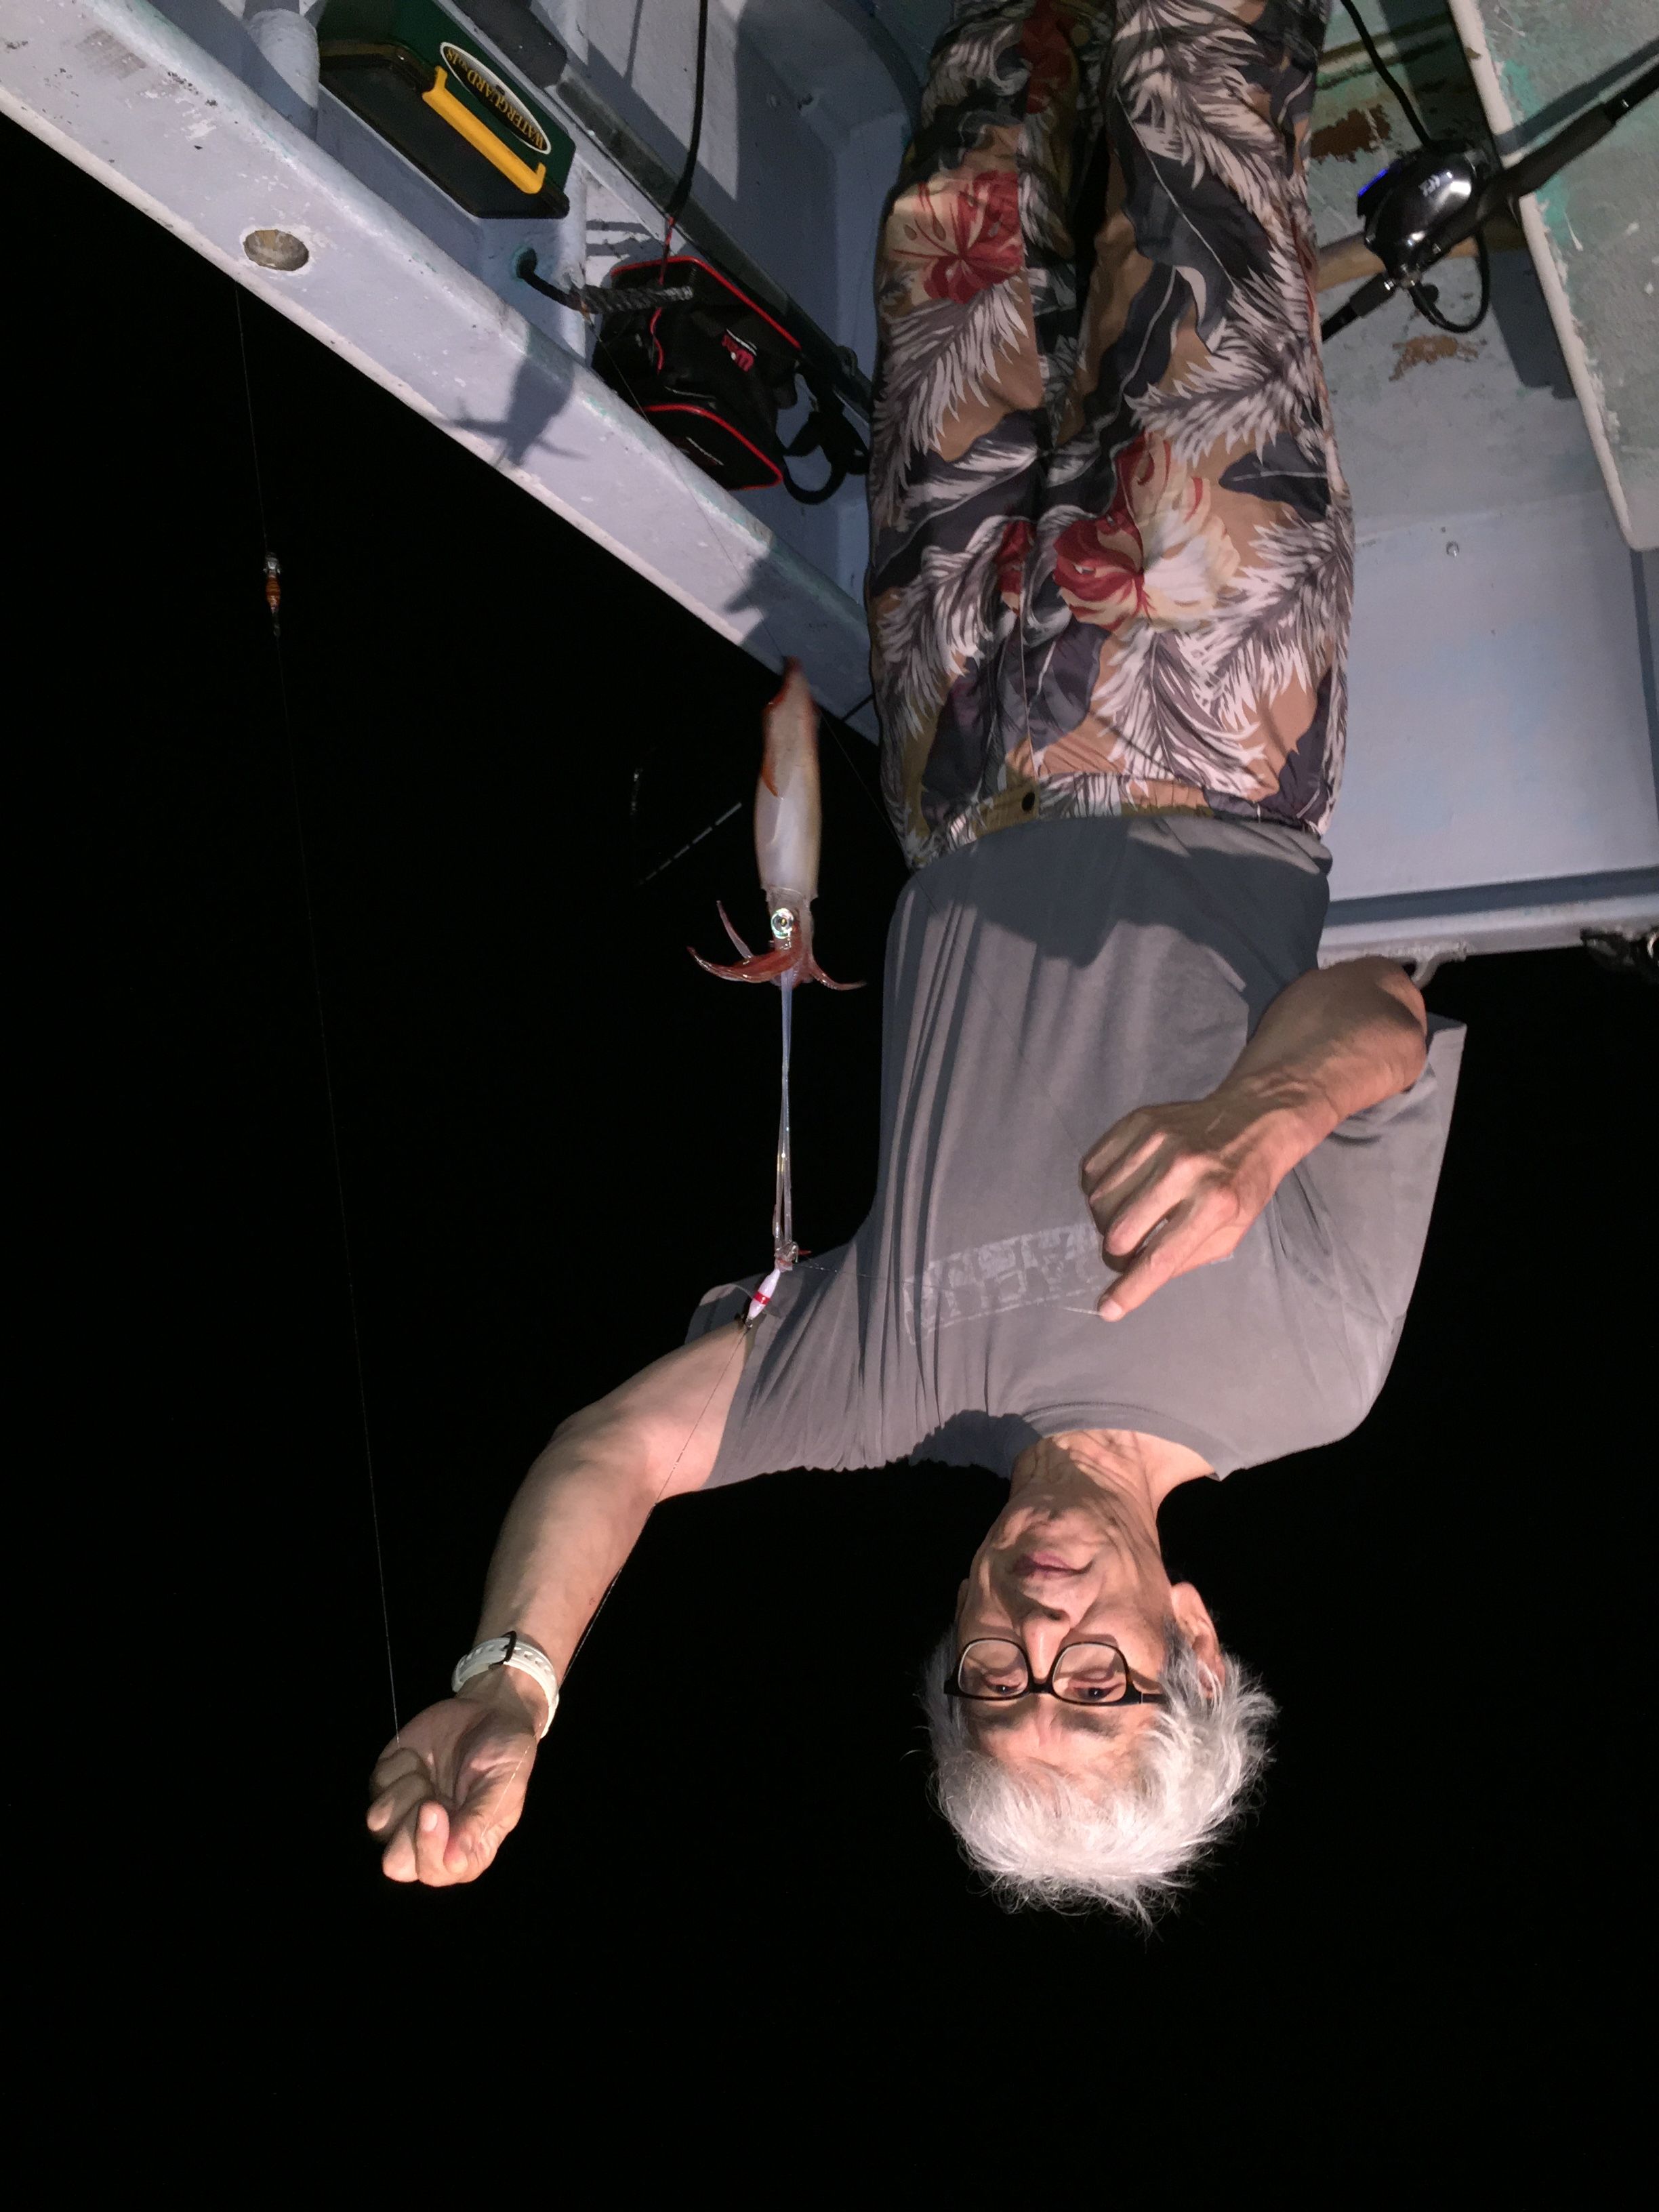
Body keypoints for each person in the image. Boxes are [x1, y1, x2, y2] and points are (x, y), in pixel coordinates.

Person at [368, 0, 1461, 1915]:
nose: (1044, 1639)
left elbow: (616, 1454)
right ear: (1197, 1644)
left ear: (951, 1651)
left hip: (955, 751)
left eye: (1000, 1689)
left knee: (972, 162)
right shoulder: (1313, 1379)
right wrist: (1259, 1125)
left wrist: (514, 1682)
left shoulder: (884, 1394)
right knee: (1197, 110)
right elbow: (1386, 1019)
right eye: (1100, 1688)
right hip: (1209, 705)